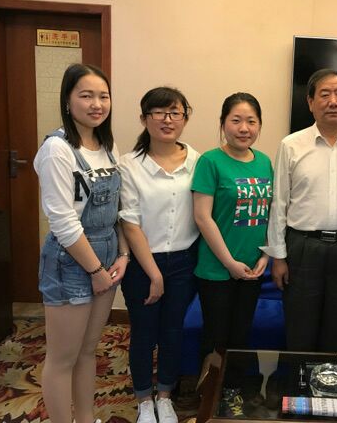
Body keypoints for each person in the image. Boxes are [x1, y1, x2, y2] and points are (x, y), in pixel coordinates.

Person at [265, 68, 337, 353]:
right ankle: (298, 381)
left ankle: (331, 382)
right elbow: (279, 203)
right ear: (310, 102)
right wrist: (278, 257)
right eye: (325, 94)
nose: (333, 101)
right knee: (299, 330)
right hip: (303, 247)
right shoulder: (291, 145)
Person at [34, 63, 129, 423]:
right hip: (71, 259)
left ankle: (86, 418)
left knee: (88, 351)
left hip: (107, 252)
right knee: (63, 358)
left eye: (103, 96)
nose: (96, 104)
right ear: (68, 100)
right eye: (86, 95)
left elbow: (117, 208)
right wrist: (95, 270)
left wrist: (123, 253)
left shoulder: (108, 146)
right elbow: (62, 221)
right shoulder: (57, 149)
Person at [119, 87, 200, 423]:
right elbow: (130, 222)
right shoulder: (129, 165)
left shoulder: (198, 161)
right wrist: (154, 273)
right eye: (159, 112)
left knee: (173, 331)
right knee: (143, 333)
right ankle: (143, 400)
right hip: (142, 263)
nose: (168, 120)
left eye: (175, 112)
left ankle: (165, 397)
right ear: (144, 118)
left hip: (185, 261)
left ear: (184, 118)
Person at [192, 92, 272, 362]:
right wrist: (229, 263)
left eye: (251, 121)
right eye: (236, 120)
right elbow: (202, 217)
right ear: (223, 123)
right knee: (216, 338)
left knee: (241, 336)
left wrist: (265, 255)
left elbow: (270, 213)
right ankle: (210, 387)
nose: (244, 128)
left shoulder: (264, 162)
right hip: (217, 269)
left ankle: (234, 385)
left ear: (259, 125)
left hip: (252, 268)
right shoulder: (210, 161)